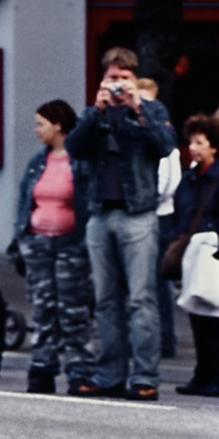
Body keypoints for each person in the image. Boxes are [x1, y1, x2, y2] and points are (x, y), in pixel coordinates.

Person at [66, 46, 177, 400]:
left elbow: (165, 146)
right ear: (103, 79)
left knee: (142, 300)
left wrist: (137, 108)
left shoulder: (152, 109)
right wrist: (96, 113)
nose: (118, 85)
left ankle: (145, 377)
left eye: (124, 79)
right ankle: (110, 374)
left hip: (138, 213)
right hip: (100, 213)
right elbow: (75, 149)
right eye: (112, 78)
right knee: (105, 300)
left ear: (135, 79)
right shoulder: (93, 113)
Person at [12, 99, 96, 395]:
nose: (37, 130)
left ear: (58, 125)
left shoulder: (80, 160)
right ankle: (42, 370)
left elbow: (88, 202)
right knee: (43, 309)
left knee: (74, 310)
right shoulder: (38, 160)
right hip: (37, 241)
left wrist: (85, 243)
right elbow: (26, 198)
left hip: (71, 243)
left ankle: (80, 371)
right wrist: (21, 238)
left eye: (40, 124)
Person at [170, 115, 219, 396]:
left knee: (214, 316)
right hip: (193, 252)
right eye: (191, 142)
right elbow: (180, 211)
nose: (194, 148)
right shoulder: (189, 179)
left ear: (214, 146)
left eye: (200, 142)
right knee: (197, 314)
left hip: (214, 252)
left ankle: (215, 376)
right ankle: (201, 374)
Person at [138, 76, 182, 358]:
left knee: (160, 279)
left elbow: (169, 177)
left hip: (159, 214)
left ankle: (166, 339)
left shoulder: (163, 133)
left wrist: (150, 201)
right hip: (144, 210)